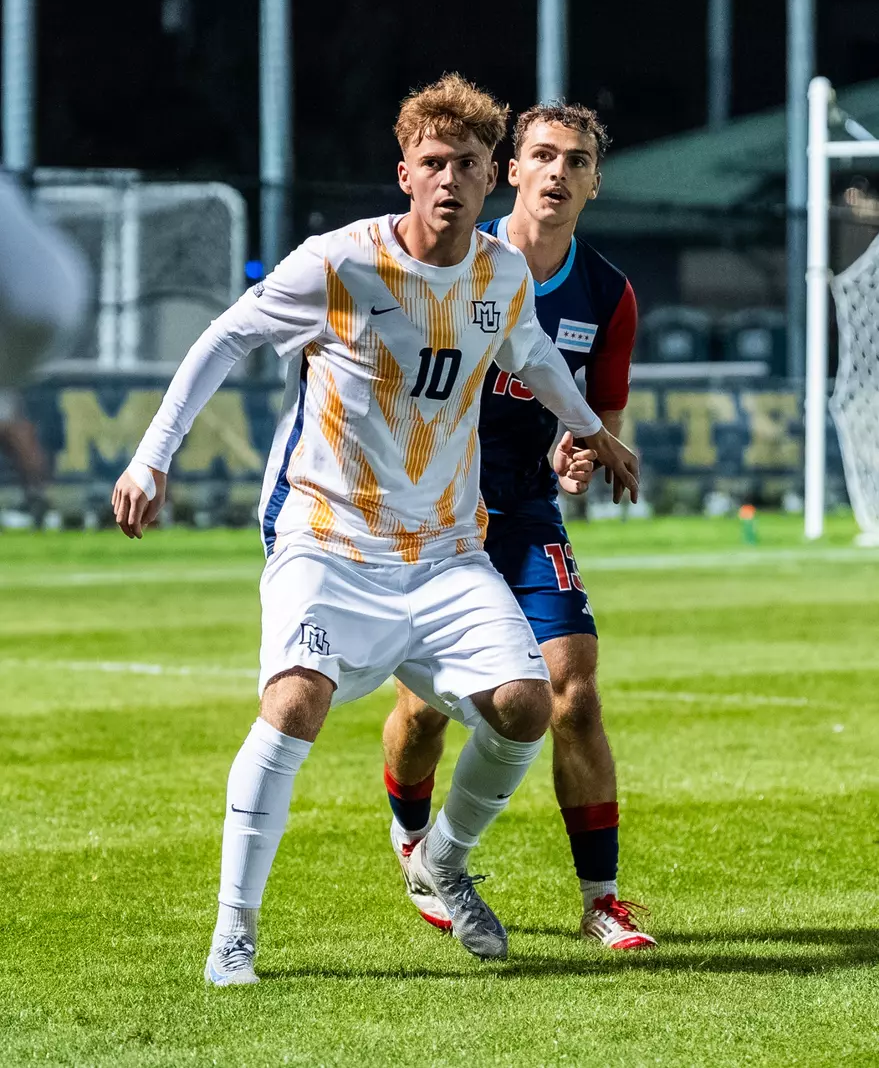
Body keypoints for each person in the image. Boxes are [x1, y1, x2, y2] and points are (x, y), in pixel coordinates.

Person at [111, 75, 639, 985]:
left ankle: (441, 859)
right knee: (295, 702)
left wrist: (592, 432)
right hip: (329, 536)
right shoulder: (340, 263)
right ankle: (234, 930)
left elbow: (533, 354)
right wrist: (152, 457)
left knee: (525, 706)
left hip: (444, 551)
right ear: (405, 173)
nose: (449, 180)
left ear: (487, 180)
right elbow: (224, 340)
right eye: (433, 163)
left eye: (465, 165)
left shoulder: (500, 273)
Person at [382, 102, 656, 950]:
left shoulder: (607, 294)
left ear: (593, 182)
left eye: (576, 161)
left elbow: (595, 418)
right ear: (510, 170)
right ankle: (411, 846)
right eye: (541, 155)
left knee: (572, 690)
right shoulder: (455, 260)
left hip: (525, 509)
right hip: (433, 511)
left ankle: (601, 900)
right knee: (427, 712)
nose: (557, 173)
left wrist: (578, 456)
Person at [0, 174, 89, 519]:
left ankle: (42, 497)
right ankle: (43, 499)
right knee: (10, 421)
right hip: (68, 284)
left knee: (10, 422)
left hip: (22, 302)